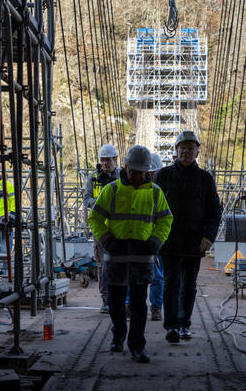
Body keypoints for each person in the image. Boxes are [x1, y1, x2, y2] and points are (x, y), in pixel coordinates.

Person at [88, 145, 173, 363]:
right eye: (134, 171)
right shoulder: (112, 190)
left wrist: (155, 242)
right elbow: (95, 218)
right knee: (116, 303)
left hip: (141, 257)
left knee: (138, 304)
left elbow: (165, 219)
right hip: (116, 256)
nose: (137, 176)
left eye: (141, 173)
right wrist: (106, 239)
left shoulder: (155, 192)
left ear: (147, 172)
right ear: (126, 167)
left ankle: (137, 345)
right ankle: (118, 336)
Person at [154, 130, 221, 343]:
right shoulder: (163, 176)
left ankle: (184, 324)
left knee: (189, 286)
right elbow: (152, 207)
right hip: (169, 241)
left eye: (190, 148)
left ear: (197, 152)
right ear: (176, 151)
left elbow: (214, 210)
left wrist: (209, 236)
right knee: (171, 283)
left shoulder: (205, 178)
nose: (186, 151)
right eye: (182, 147)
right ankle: (171, 326)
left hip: (194, 241)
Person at [83, 144, 119, 313]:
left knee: (119, 264)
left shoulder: (122, 178)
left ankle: (119, 298)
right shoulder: (93, 179)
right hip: (100, 228)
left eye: (108, 160)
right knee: (102, 264)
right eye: (102, 160)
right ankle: (105, 299)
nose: (105, 164)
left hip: (118, 227)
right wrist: (100, 205)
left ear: (115, 160)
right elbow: (87, 199)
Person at [148, 153, 165, 321]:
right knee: (133, 276)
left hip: (157, 240)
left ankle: (156, 307)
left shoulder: (162, 190)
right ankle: (129, 304)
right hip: (141, 238)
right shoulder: (139, 189)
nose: (152, 175)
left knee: (158, 276)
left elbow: (166, 217)